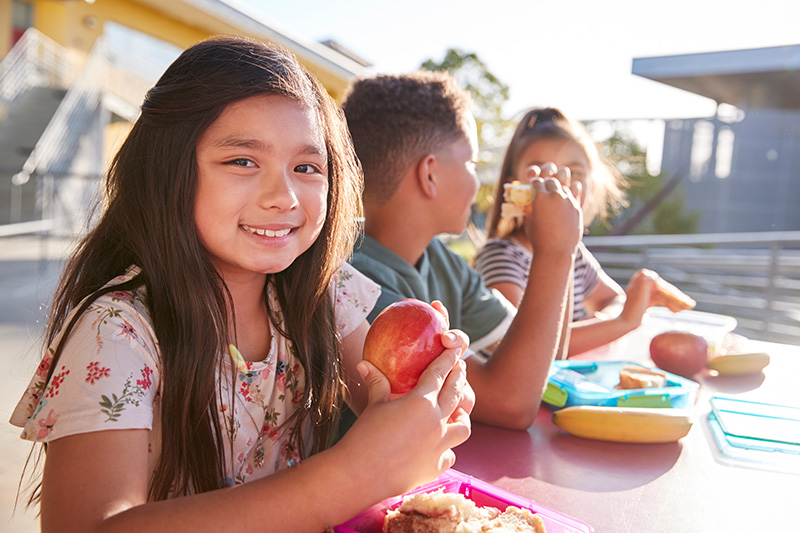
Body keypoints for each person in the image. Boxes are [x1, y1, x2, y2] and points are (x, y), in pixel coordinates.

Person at [9, 37, 474, 532]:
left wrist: (429, 391)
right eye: (242, 161)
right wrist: (347, 477)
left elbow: (386, 403)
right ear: (167, 171)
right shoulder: (118, 332)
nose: (284, 195)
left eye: (307, 167)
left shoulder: (323, 293)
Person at [342, 71, 583, 431]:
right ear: (430, 174)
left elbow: (545, 356)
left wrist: (560, 243)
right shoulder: (353, 277)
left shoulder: (441, 260)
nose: (477, 180)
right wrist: (554, 253)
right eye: (471, 162)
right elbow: (510, 403)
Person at [476, 107, 694, 357]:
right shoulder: (502, 256)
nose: (557, 185)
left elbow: (613, 300)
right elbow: (523, 347)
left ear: (591, 190)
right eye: (540, 173)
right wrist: (622, 323)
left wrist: (598, 324)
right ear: (514, 187)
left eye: (574, 173)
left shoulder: (575, 254)